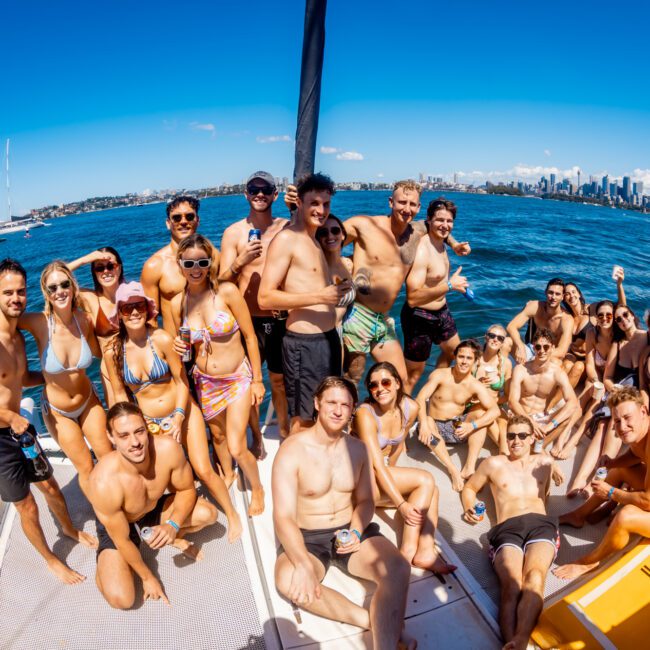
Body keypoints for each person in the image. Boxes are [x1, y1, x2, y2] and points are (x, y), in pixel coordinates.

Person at [273, 376, 414, 650]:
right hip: (307, 537)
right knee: (289, 581)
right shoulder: (292, 451)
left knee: (397, 568)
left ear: (352, 409)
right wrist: (302, 564)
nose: (338, 411)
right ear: (317, 404)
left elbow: (366, 501)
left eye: (345, 405)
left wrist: (357, 531)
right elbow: (283, 517)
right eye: (331, 403)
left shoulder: (358, 449)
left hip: (350, 529)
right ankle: (372, 620)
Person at [105, 281, 241, 541]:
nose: (134, 313)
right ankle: (175, 524)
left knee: (202, 468)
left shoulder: (161, 339)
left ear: (147, 309)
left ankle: (232, 515)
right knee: (165, 477)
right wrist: (133, 430)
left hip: (183, 411)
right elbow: (121, 395)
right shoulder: (113, 351)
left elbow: (181, 381)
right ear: (119, 314)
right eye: (127, 308)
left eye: (139, 306)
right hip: (148, 424)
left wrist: (179, 416)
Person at [0, 259, 96, 584]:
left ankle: (68, 528)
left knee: (51, 486)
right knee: (26, 505)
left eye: (20, 291)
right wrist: (10, 415)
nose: (16, 298)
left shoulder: (14, 337)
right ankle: (52, 560)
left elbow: (21, 378)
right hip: (2, 437)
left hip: (21, 431)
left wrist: (54, 377)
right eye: (7, 293)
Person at [89, 402, 218, 609]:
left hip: (151, 510)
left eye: (139, 432)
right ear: (111, 437)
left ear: (147, 428)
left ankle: (173, 538)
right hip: (122, 528)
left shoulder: (167, 449)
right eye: (124, 436)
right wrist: (148, 577)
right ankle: (107, 565)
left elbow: (186, 490)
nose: (135, 443)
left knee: (208, 514)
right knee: (122, 599)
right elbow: (121, 539)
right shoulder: (103, 482)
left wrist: (172, 525)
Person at [339, 183, 470, 387]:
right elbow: (323, 242)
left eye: (412, 204)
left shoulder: (415, 231)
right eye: (401, 202)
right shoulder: (364, 225)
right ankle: (348, 418)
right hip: (358, 315)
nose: (406, 209)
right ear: (391, 202)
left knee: (399, 380)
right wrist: (341, 264)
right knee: (352, 378)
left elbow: (435, 225)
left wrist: (453, 244)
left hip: (382, 320)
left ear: (418, 208)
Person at [174, 234, 266, 516]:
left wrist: (258, 380)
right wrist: (180, 346)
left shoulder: (226, 292)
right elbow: (181, 344)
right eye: (189, 263)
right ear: (180, 263)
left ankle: (258, 488)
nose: (196, 268)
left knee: (237, 446)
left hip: (236, 377)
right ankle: (228, 474)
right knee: (219, 437)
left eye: (202, 261)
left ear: (210, 262)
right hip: (206, 381)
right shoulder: (179, 302)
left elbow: (250, 337)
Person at [259, 173, 351, 433]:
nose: (321, 211)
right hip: (304, 345)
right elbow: (265, 297)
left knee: (328, 410)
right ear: (299, 202)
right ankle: (295, 470)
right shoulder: (287, 239)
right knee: (304, 417)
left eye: (326, 204)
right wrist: (320, 296)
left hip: (328, 339)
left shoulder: (315, 240)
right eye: (314, 203)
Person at [462, 415, 563, 650]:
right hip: (506, 529)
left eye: (522, 435)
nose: (515, 440)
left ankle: (520, 639)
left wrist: (553, 465)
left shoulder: (544, 463)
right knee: (512, 584)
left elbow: (545, 497)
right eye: (511, 436)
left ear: (532, 438)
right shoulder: (493, 463)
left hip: (540, 524)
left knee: (535, 576)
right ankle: (511, 642)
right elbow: (469, 488)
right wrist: (469, 506)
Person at [353, 362, 455, 573]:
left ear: (397, 383)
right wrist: (401, 503)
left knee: (431, 491)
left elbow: (396, 447)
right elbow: (377, 464)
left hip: (380, 476)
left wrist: (396, 478)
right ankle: (407, 552)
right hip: (361, 478)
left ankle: (425, 551)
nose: (380, 388)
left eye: (386, 382)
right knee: (425, 479)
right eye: (373, 385)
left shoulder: (411, 408)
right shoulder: (365, 414)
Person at [18, 261, 112, 493]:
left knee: (109, 459)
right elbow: (5, 314)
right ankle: (105, 521)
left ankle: (125, 513)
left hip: (89, 400)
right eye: (52, 288)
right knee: (86, 468)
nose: (59, 291)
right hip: (59, 411)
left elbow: (101, 353)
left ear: (72, 285)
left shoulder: (84, 320)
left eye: (64, 284)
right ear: (46, 293)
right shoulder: (38, 322)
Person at [219, 171, 290, 447]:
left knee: (279, 382)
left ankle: (284, 433)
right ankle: (257, 438)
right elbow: (222, 282)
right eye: (254, 188)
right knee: (248, 386)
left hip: (279, 319)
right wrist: (241, 260)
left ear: (275, 194)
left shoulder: (287, 228)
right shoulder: (233, 233)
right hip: (247, 323)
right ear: (246, 194)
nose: (260, 193)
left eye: (266, 189)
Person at [554, 387, 650, 581]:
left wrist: (611, 492)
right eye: (617, 420)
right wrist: (613, 462)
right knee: (618, 471)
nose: (622, 427)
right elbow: (636, 454)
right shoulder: (641, 432)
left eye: (627, 418)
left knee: (626, 517)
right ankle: (578, 515)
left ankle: (589, 561)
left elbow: (647, 501)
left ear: (643, 412)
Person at [402, 198, 469, 393]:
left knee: (454, 352)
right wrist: (449, 285)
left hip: (442, 312)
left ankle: (433, 392)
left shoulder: (441, 241)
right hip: (419, 318)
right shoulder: (423, 250)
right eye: (439, 220)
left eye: (449, 221)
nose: (445, 225)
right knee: (413, 375)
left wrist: (455, 244)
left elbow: (444, 233)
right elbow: (413, 298)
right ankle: (402, 416)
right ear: (428, 221)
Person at [416, 339, 500, 489]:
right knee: (428, 420)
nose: (464, 361)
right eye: (461, 357)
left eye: (469, 358)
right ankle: (453, 469)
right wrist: (422, 424)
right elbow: (420, 398)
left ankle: (469, 467)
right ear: (455, 357)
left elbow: (495, 410)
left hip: (457, 428)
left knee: (480, 413)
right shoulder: (440, 375)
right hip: (432, 428)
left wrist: (471, 425)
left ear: (475, 362)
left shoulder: (475, 385)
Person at [68, 246, 125, 404]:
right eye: (99, 267)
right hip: (110, 374)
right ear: (94, 273)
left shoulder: (133, 293)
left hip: (140, 367)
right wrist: (86, 259)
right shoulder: (89, 299)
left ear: (119, 267)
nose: (105, 271)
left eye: (110, 266)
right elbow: (55, 279)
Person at [141, 195, 205, 336]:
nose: (183, 222)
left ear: (197, 221)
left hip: (210, 347)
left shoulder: (211, 257)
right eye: (176, 218)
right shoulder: (154, 265)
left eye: (189, 216)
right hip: (177, 348)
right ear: (168, 223)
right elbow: (150, 320)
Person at [508, 328, 579, 454]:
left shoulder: (557, 373)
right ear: (533, 348)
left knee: (572, 413)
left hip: (541, 418)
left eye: (546, 347)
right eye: (538, 347)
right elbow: (512, 401)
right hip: (521, 415)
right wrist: (531, 423)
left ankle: (540, 445)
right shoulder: (521, 369)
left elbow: (572, 402)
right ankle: (536, 448)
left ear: (552, 348)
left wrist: (550, 425)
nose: (542, 351)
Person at [315, 214, 355, 364]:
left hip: (339, 335)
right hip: (319, 338)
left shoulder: (347, 264)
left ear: (343, 234)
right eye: (323, 233)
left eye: (335, 231)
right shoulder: (316, 267)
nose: (330, 235)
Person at [507, 278, 574, 365]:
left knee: (556, 362)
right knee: (506, 342)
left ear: (562, 297)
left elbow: (561, 351)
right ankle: (505, 376)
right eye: (550, 292)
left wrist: (537, 357)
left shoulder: (566, 319)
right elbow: (511, 327)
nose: (553, 297)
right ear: (545, 292)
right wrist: (520, 346)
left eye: (557, 294)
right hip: (533, 349)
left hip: (550, 355)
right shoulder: (535, 306)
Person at [470, 324, 513, 454]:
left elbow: (507, 396)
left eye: (500, 338)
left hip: (495, 404)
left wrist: (494, 401)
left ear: (502, 343)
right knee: (488, 417)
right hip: (474, 404)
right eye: (492, 336)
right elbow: (461, 390)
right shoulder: (473, 361)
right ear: (486, 337)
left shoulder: (506, 364)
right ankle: (506, 454)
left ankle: (505, 453)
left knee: (503, 423)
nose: (495, 339)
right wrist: (478, 385)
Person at [603, 304, 647, 390]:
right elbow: (607, 377)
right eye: (619, 319)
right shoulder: (617, 344)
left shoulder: (647, 337)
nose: (623, 319)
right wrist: (616, 392)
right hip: (622, 393)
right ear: (617, 324)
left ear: (632, 316)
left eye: (625, 314)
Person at [560, 282, 591, 389]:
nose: (571, 295)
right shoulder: (567, 317)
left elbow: (618, 306)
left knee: (577, 367)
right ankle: (550, 392)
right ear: (564, 298)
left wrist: (619, 284)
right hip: (572, 354)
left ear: (579, 294)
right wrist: (534, 303)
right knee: (567, 365)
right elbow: (549, 307)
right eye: (567, 294)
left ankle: (562, 396)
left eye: (574, 292)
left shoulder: (590, 310)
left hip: (588, 358)